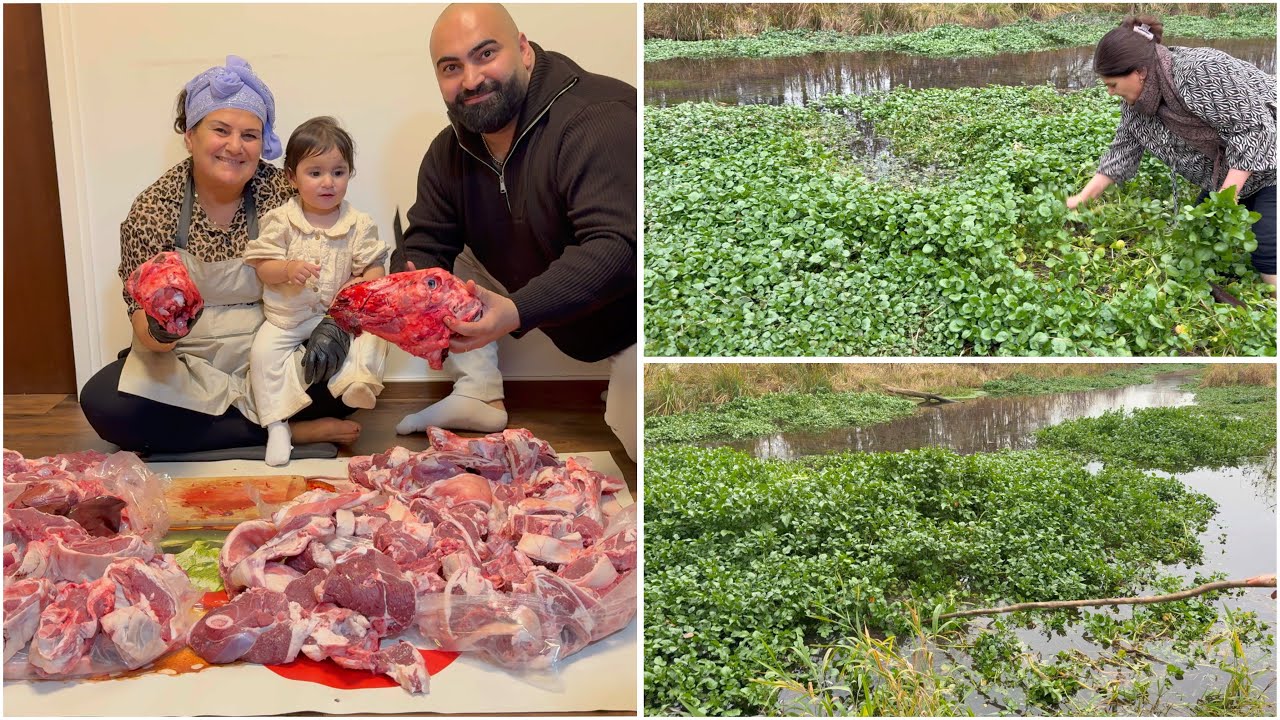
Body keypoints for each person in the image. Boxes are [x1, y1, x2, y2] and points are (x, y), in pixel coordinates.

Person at [79, 56, 362, 454]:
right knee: (105, 403)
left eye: (249, 134)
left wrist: (335, 326)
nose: (235, 146)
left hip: (273, 351)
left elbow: (347, 265)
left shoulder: (284, 194)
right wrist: (164, 329)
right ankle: (280, 431)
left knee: (351, 381)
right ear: (190, 135)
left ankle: (236, 425)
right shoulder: (152, 209)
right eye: (220, 130)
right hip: (187, 361)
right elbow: (146, 331)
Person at [391, 3, 637, 460]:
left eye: (485, 54)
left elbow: (617, 247)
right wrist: (405, 298)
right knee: (437, 270)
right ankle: (479, 393)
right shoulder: (448, 152)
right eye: (451, 67)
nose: (470, 79)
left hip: (641, 324)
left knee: (644, 448)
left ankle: (628, 388)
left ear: (523, 49)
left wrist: (518, 309)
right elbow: (427, 238)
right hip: (559, 309)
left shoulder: (600, 117)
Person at [1067, 15, 1277, 286]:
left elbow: (1254, 131)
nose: (1110, 93)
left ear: (1139, 72)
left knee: (1269, 251)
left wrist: (1227, 196)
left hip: (1273, 157)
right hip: (1232, 169)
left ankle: (1272, 310)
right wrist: (1083, 197)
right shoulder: (1139, 104)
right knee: (1198, 235)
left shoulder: (1200, 71)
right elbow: (1124, 149)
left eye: (1113, 84)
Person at [244, 117, 390, 466]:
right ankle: (278, 423)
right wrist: (287, 269)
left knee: (374, 332)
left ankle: (359, 380)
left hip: (335, 317)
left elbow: (373, 265)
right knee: (262, 356)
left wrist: (363, 283)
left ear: (349, 174)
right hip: (287, 317)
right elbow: (263, 265)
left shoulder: (358, 224)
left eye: (338, 173)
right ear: (292, 177)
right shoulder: (281, 220)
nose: (328, 182)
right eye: (315, 173)